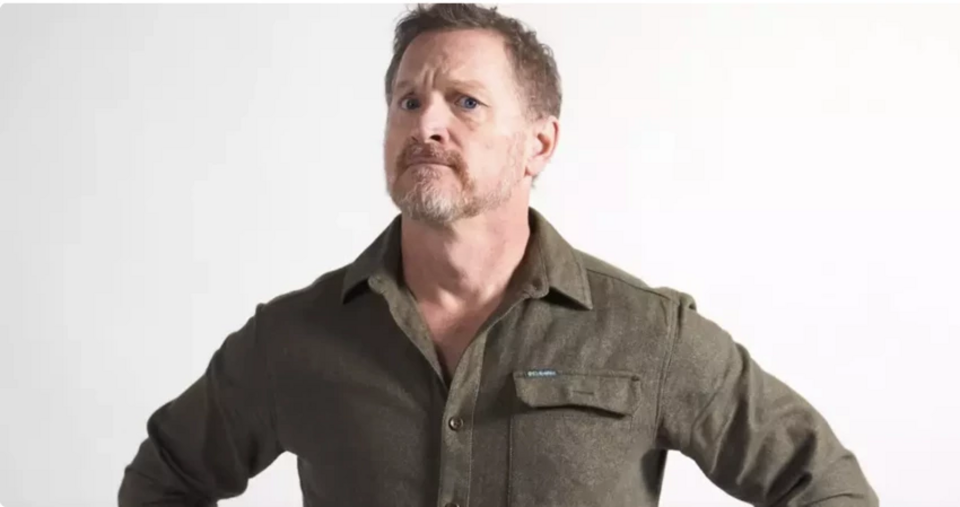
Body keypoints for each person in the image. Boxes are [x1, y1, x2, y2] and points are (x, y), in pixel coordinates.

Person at [119, 4, 878, 506]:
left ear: (538, 144)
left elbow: (823, 485)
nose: (427, 125)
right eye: (408, 101)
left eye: (466, 102)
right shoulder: (293, 339)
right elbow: (163, 480)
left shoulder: (649, 334)